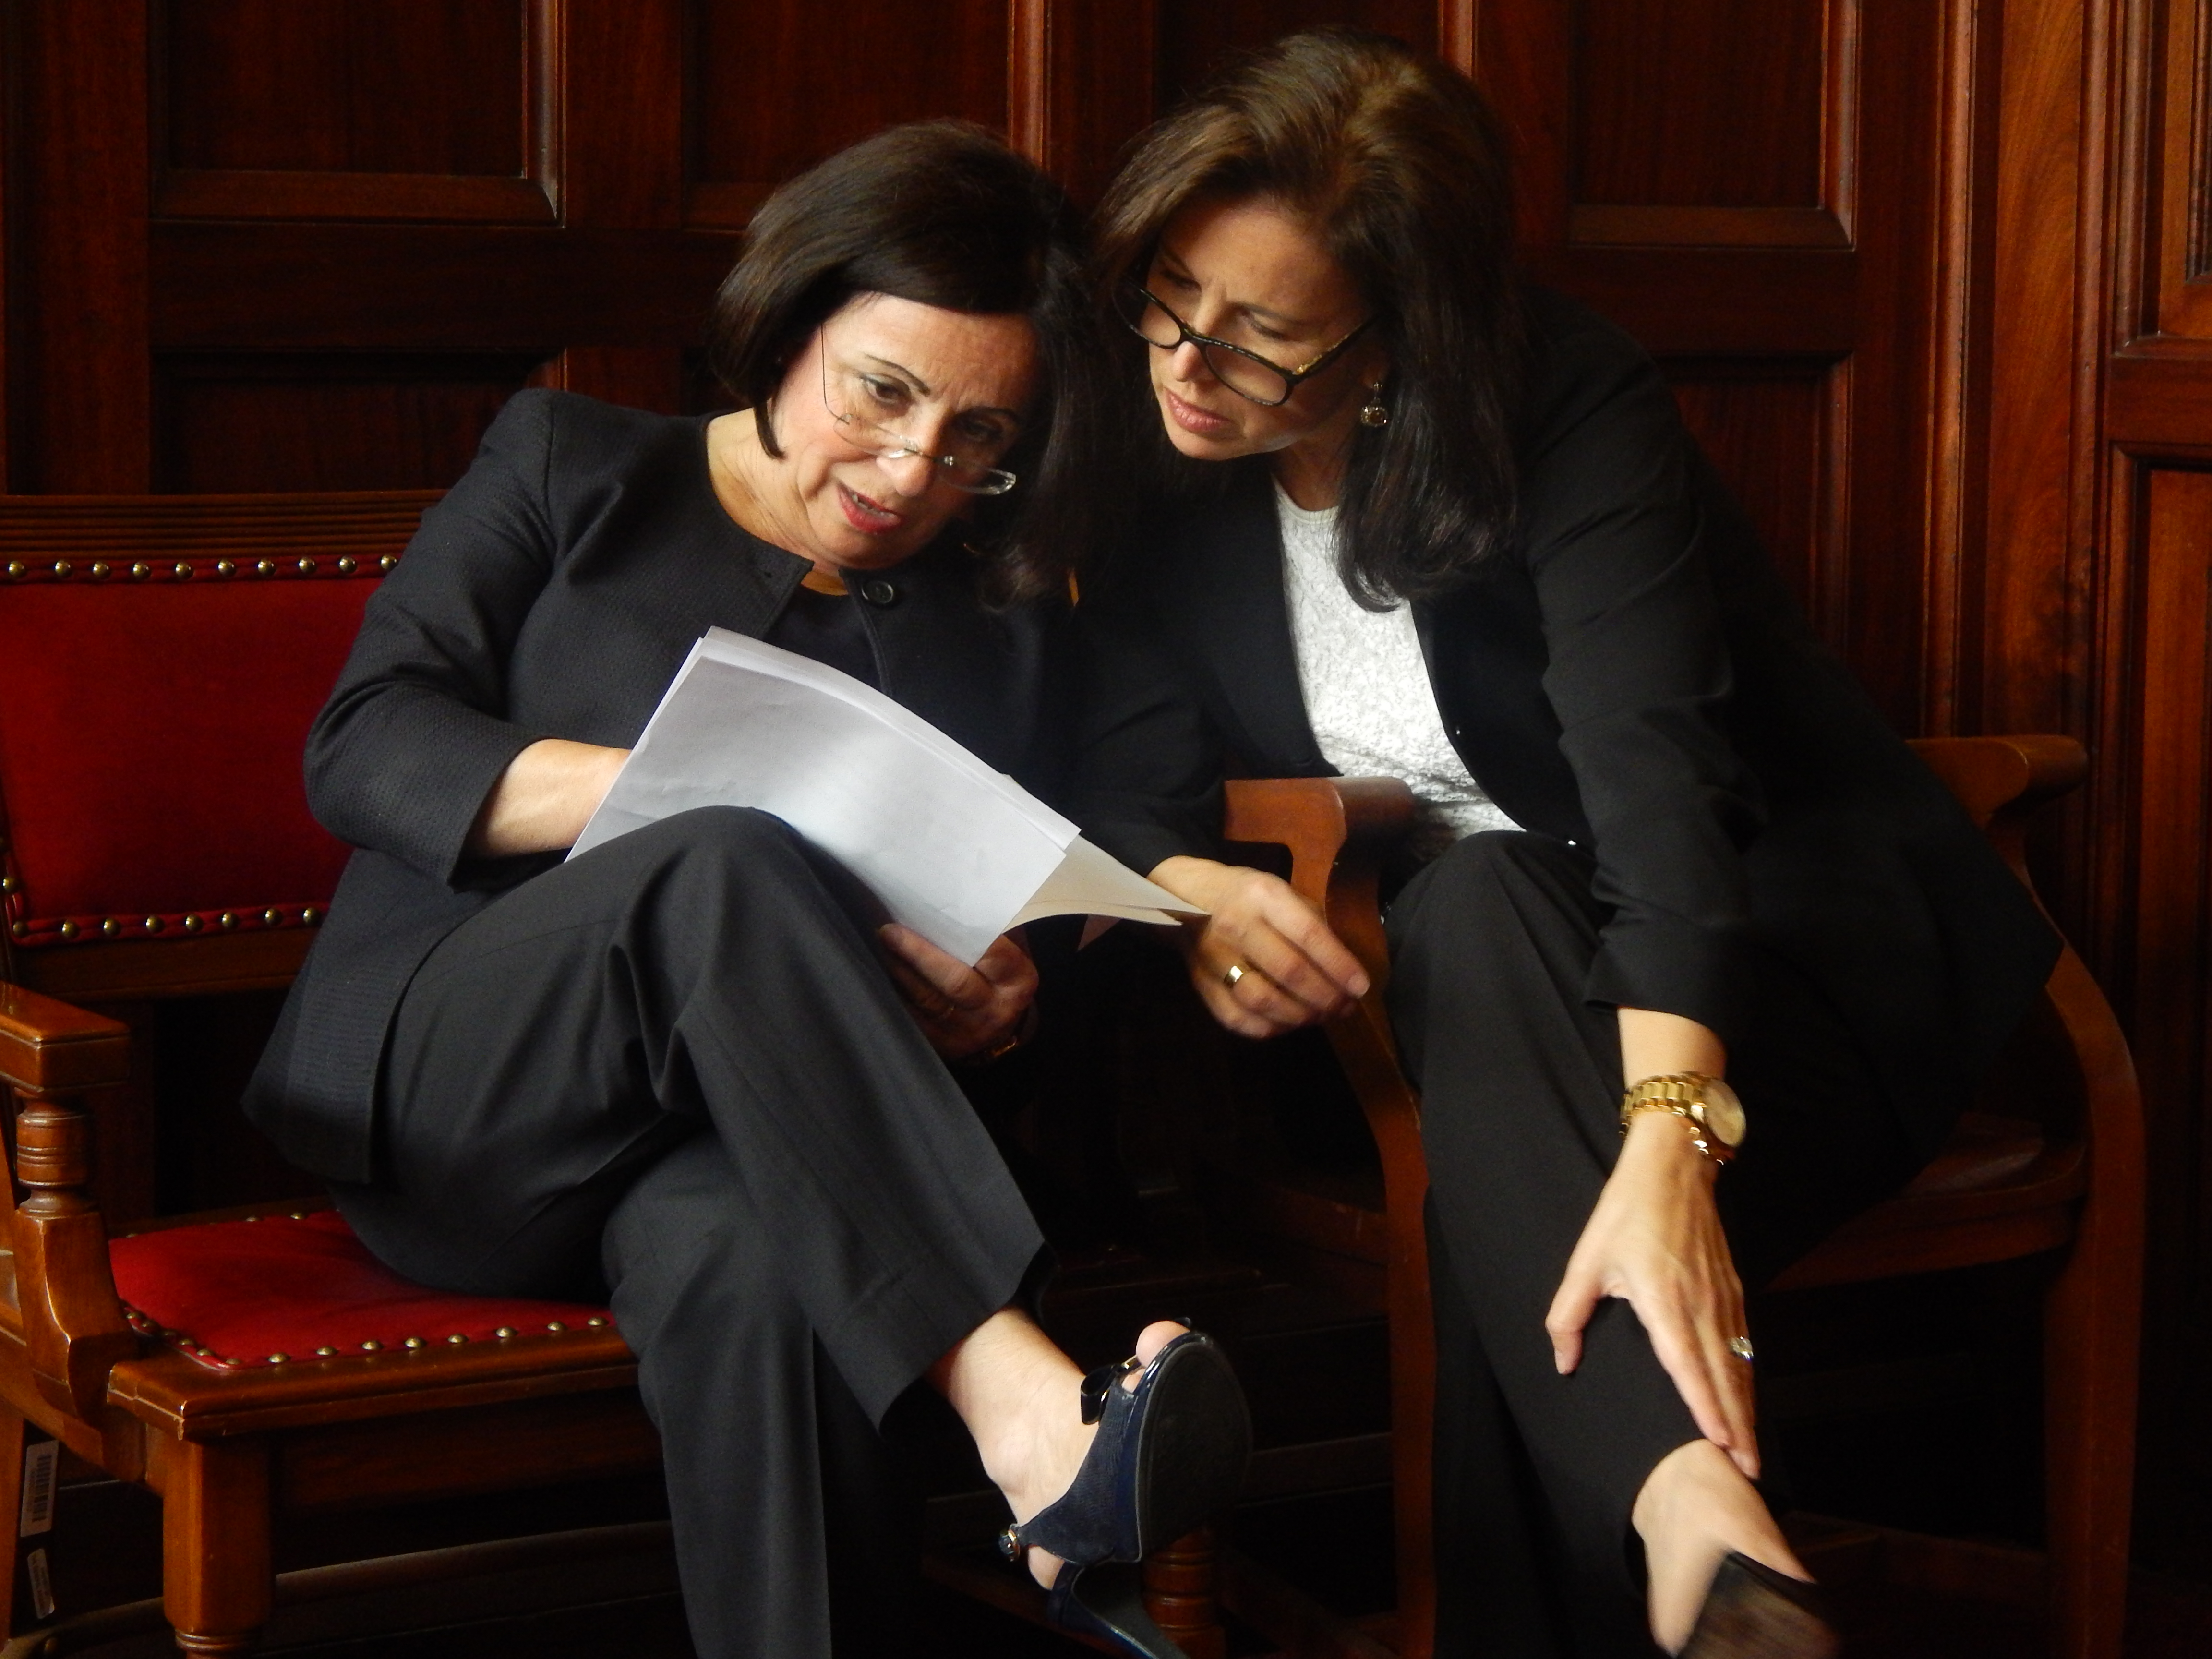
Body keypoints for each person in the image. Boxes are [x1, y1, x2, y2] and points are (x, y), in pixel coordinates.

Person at [1070, 31, 2057, 1659]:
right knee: (1477, 925)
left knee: (1495, 1109)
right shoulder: (1155, 452)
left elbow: (1659, 779)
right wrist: (1193, 896)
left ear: (1396, 337)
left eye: (1267, 340)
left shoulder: (1563, 401)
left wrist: (1671, 1143)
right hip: (1438, 1007)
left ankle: (1678, 1509)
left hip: (1755, 987)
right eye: (1171, 295)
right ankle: (1694, 1520)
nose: (1190, 361)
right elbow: (1122, 763)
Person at [242, 121, 1248, 1659]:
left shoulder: (999, 599)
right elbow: (364, 745)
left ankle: (1011, 1473)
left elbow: (1148, 783)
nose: (914, 471)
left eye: (979, 436)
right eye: (883, 395)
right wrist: (665, 794)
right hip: (464, 1105)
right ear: (788, 329)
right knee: (723, 850)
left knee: (769, 1272)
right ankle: (1024, 1403)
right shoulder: (572, 464)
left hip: (754, 1159)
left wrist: (1021, 967)